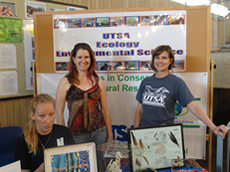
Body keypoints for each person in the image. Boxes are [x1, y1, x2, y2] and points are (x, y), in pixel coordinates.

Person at [134, 45, 228, 139]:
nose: (160, 61)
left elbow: (194, 106)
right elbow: (139, 109)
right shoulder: (146, 82)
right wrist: (134, 133)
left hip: (164, 136)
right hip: (144, 134)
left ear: (170, 60)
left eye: (164, 58)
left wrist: (213, 127)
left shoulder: (176, 82)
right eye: (157, 57)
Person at [55, 43, 113, 171]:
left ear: (91, 59)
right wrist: (63, 137)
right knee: (80, 167)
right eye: (80, 57)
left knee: (100, 165)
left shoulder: (99, 82)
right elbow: (59, 112)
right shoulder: (65, 82)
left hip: (99, 132)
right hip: (76, 134)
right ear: (74, 59)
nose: (83, 61)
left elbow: (104, 109)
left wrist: (110, 135)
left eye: (86, 57)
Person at [14, 94, 74, 172]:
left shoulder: (64, 132)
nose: (48, 121)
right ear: (33, 116)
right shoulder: (23, 141)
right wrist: (43, 168)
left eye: (51, 114)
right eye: (42, 116)